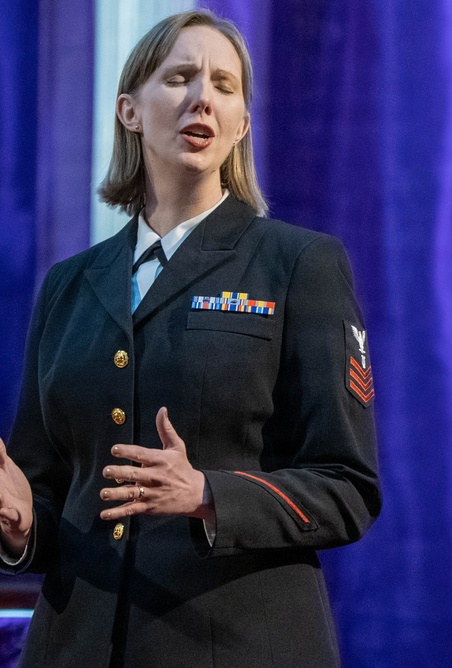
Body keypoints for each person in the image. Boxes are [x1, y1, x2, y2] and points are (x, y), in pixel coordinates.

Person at [0, 10, 380, 667]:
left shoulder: (299, 265)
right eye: (180, 77)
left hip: (233, 646)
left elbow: (347, 489)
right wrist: (19, 521)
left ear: (241, 126)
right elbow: (48, 493)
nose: (203, 96)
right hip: (78, 646)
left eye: (225, 86)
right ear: (129, 111)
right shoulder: (67, 286)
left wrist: (207, 494)